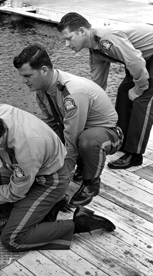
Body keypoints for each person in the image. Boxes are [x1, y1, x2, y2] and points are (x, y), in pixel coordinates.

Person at [0, 103, 115, 251]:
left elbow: (14, 193)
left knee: (13, 239)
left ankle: (79, 223)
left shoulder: (28, 148)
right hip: (14, 168)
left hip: (48, 179)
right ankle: (49, 206)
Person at [13, 44, 123, 207]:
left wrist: (61, 177)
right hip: (78, 130)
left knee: (87, 141)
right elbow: (49, 128)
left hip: (108, 135)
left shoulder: (72, 93)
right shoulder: (41, 90)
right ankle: (82, 166)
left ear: (44, 70)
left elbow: (73, 137)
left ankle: (91, 184)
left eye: (28, 75)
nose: (24, 81)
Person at [57, 12, 153, 169]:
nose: (67, 44)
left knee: (143, 101)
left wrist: (140, 87)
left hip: (146, 57)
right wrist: (88, 108)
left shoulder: (107, 39)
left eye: (69, 38)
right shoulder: (95, 51)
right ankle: (122, 140)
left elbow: (134, 61)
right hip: (143, 58)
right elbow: (97, 84)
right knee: (124, 93)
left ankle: (135, 154)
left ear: (82, 31)